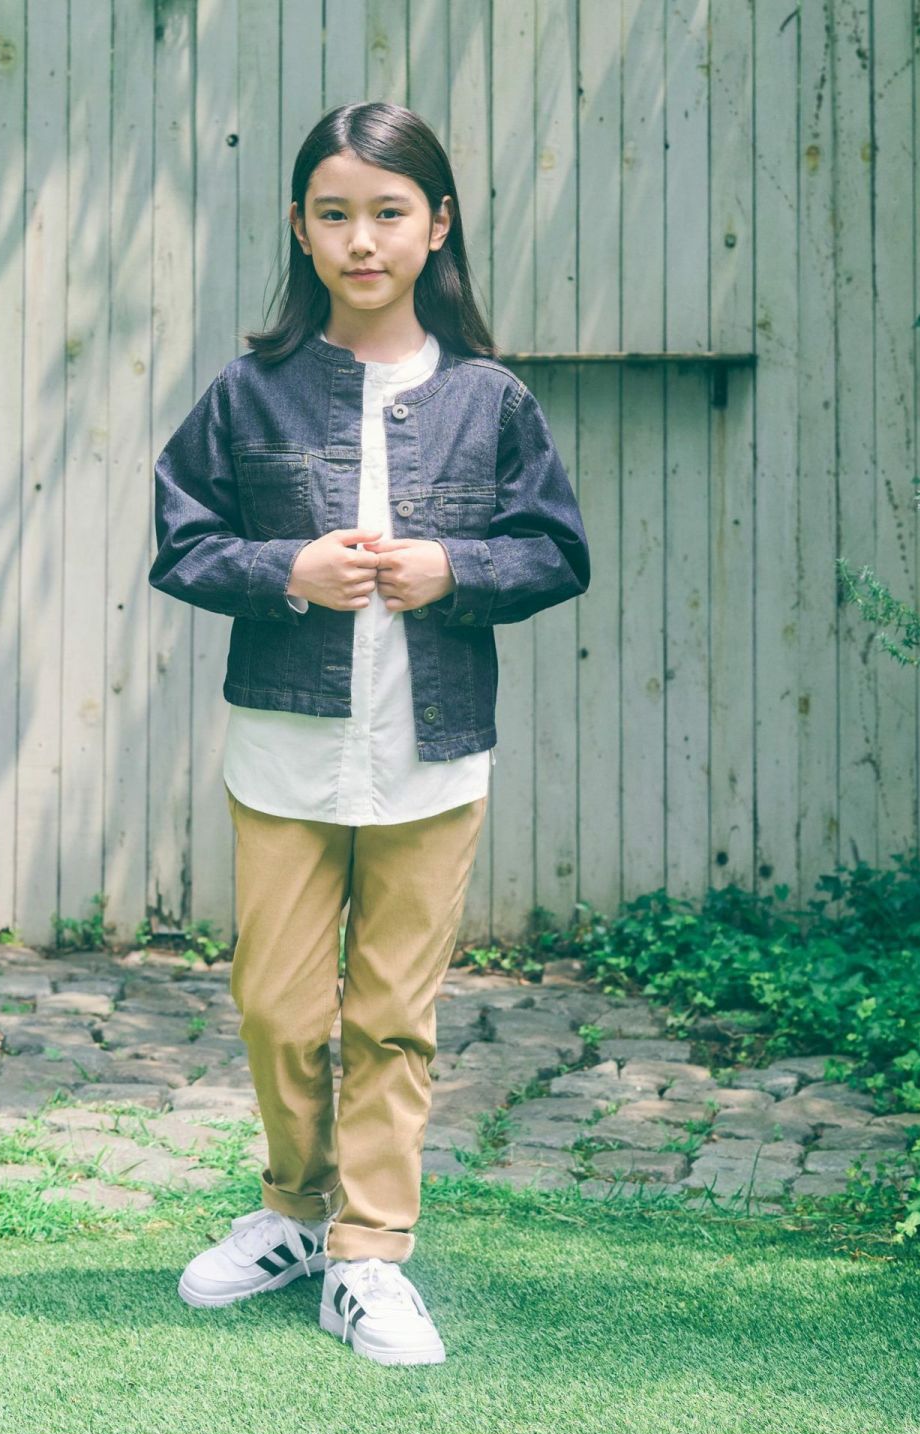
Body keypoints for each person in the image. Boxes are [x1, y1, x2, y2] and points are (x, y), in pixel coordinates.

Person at [148, 100, 590, 1366]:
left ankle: (369, 1253)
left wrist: (459, 568)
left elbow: (557, 551)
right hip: (284, 751)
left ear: (436, 226)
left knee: (393, 1015)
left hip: (433, 755)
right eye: (334, 214)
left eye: (388, 212)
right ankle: (293, 1212)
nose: (361, 239)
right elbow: (183, 542)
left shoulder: (491, 399)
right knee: (278, 1008)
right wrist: (285, 568)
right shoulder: (248, 394)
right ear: (300, 228)